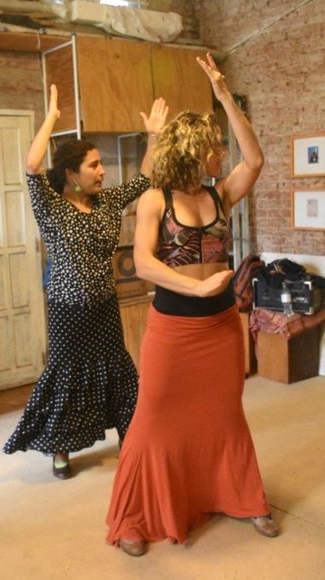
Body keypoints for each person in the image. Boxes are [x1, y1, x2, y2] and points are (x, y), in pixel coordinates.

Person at [105, 53, 277, 557]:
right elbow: (142, 263)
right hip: (175, 330)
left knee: (224, 416)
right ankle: (137, 516)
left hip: (222, 328)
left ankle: (240, 497)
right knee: (153, 419)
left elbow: (257, 160)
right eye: (215, 145)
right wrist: (198, 288)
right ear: (194, 149)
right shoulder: (155, 198)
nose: (222, 153)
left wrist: (224, 96)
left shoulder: (220, 194)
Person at [3, 86, 168, 479]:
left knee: (118, 371)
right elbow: (31, 164)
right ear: (71, 173)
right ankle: (60, 449)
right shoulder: (51, 206)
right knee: (66, 374)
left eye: (101, 164)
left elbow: (143, 179)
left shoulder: (108, 202)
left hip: (104, 305)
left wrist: (155, 138)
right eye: (93, 165)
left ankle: (131, 436)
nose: (103, 171)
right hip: (66, 308)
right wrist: (51, 120)